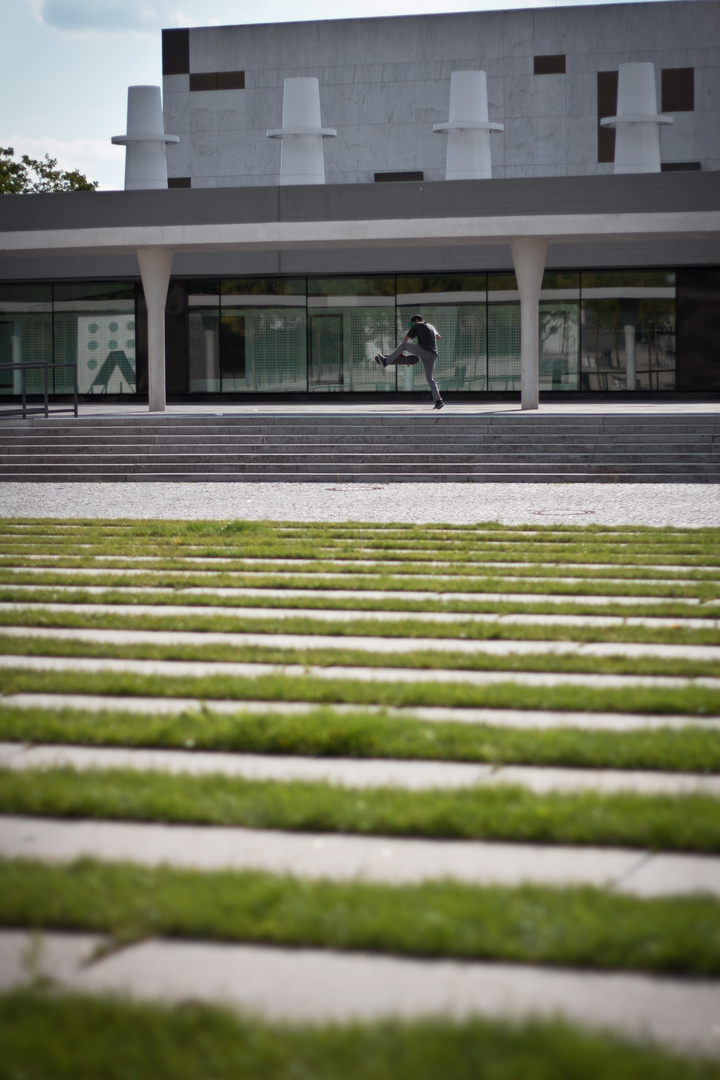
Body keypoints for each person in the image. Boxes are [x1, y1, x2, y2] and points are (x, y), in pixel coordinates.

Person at [375, 314, 444, 409]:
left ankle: (386, 361)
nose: (412, 326)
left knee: (404, 345)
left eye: (412, 324)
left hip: (424, 351)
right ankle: (438, 401)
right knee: (430, 378)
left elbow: (405, 339)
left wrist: (400, 353)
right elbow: (438, 337)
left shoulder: (416, 325)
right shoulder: (431, 326)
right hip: (433, 354)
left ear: (415, 321)